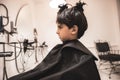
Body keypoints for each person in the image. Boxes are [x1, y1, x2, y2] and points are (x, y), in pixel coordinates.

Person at [8, 1, 101, 80]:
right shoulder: (86, 57)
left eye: (60, 27)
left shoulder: (79, 56)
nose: (57, 32)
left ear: (73, 30)